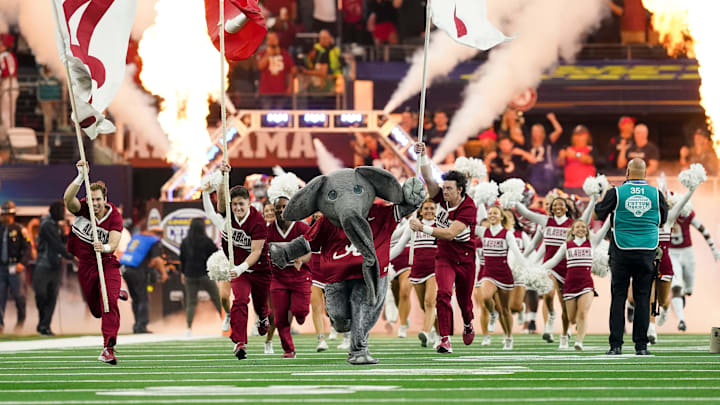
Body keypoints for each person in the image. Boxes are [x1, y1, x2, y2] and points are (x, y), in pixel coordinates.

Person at [594, 158, 668, 355]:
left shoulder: (616, 192)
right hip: (646, 250)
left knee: (618, 297)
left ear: (627, 172)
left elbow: (597, 216)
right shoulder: (655, 193)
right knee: (643, 298)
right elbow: (662, 221)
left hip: (621, 250)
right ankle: (641, 346)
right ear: (644, 174)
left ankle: (616, 345)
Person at [410, 142, 477, 354]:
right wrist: (423, 156)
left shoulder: (468, 208)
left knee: (465, 302)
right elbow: (429, 179)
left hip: (465, 259)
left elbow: (450, 233)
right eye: (444, 187)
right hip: (444, 257)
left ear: (460, 190)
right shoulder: (441, 198)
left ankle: (468, 323)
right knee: (444, 293)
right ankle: (444, 338)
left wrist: (423, 228)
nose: (444, 191)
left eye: (449, 188)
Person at [202, 164, 270, 360]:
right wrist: (206, 192)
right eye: (234, 205)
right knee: (239, 301)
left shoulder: (257, 222)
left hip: (258, 269)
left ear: (248, 204)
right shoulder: (227, 221)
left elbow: (256, 252)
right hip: (239, 271)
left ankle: (263, 318)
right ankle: (240, 342)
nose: (238, 208)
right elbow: (211, 213)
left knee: (261, 308)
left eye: (242, 204)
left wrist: (241, 268)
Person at [514, 192, 597, 348]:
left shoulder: (573, 224)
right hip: (551, 266)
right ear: (551, 208)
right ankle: (551, 315)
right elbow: (527, 214)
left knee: (566, 309)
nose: (558, 207)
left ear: (567, 208)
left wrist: (593, 199)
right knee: (548, 293)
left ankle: (565, 335)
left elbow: (585, 219)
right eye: (555, 205)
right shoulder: (545, 221)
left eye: (561, 205)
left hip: (569, 270)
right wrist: (513, 197)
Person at [64, 161, 125, 364]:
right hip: (86, 266)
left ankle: (108, 348)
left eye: (98, 199)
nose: (95, 203)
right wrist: (80, 176)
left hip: (107, 262)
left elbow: (114, 243)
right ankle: (116, 291)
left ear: (105, 199)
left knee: (109, 301)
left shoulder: (114, 216)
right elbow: (67, 199)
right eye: (92, 199)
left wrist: (105, 248)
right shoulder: (82, 209)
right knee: (97, 309)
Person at [542, 219, 610, 350]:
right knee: (571, 318)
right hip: (570, 284)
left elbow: (604, 229)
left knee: (583, 313)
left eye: (583, 227)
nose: (581, 229)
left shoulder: (591, 242)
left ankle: (579, 341)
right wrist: (540, 269)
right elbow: (554, 260)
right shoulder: (566, 245)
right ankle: (567, 332)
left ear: (587, 230)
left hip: (586, 284)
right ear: (572, 231)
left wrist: (612, 212)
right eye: (577, 227)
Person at [265, 177, 312, 358]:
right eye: (279, 209)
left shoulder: (301, 227)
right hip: (278, 278)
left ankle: (300, 315)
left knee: (300, 312)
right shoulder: (268, 231)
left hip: (300, 276)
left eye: (285, 207)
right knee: (280, 317)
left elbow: (312, 250)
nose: (282, 211)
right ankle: (288, 349)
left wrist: (301, 259)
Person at [475, 205, 528, 350]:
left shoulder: (507, 233)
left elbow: (517, 253)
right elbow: (465, 225)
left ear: (501, 217)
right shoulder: (483, 231)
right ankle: (492, 314)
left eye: (495, 213)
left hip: (504, 273)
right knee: (486, 297)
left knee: (505, 309)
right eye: (490, 213)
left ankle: (509, 336)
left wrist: (527, 267)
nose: (492, 215)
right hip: (488, 272)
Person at [668, 203, 720, 331]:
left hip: (687, 253)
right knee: (676, 286)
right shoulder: (664, 215)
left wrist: (713, 249)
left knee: (689, 290)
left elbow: (703, 229)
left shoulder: (687, 213)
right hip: (672, 253)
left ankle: (682, 296)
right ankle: (681, 320)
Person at [33, 201, 74, 336]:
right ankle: (43, 323)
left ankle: (45, 326)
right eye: (62, 210)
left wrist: (68, 234)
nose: (63, 213)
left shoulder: (57, 226)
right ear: (55, 211)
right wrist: (71, 256)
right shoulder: (47, 225)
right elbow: (57, 244)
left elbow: (62, 242)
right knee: (41, 295)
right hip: (43, 265)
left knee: (52, 297)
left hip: (55, 266)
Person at [180, 217, 223, 337]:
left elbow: (182, 259)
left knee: (191, 302)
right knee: (217, 298)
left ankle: (188, 328)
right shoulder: (207, 241)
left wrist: (182, 273)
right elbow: (215, 255)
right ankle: (226, 322)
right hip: (205, 274)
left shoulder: (185, 241)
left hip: (189, 274)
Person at [120, 228, 168, 334]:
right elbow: (157, 259)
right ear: (159, 235)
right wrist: (163, 273)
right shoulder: (154, 240)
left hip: (125, 268)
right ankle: (141, 326)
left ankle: (137, 324)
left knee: (135, 298)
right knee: (143, 298)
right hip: (137, 269)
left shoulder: (137, 236)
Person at [408, 199, 439, 347]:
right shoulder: (413, 227)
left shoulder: (440, 226)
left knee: (430, 302)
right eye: (426, 208)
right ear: (420, 211)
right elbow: (397, 241)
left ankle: (425, 332)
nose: (429, 211)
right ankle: (440, 334)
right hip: (418, 269)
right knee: (424, 306)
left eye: (432, 208)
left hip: (436, 269)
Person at [0, 200, 29, 333]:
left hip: (15, 266)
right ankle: (0, 325)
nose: (6, 217)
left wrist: (22, 263)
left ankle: (20, 321)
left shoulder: (20, 229)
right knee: (0, 297)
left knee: (19, 296)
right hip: (1, 267)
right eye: (4, 214)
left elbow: (27, 248)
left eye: (9, 214)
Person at [257, 31, 296, 110]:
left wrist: (290, 87)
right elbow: (260, 67)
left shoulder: (285, 54)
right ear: (267, 41)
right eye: (270, 39)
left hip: (281, 91)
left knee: (280, 116)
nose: (272, 41)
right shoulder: (262, 53)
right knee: (266, 114)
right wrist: (268, 54)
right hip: (266, 91)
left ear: (277, 40)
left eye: (274, 38)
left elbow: (292, 71)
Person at [528, 113, 563, 195]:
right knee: (534, 192)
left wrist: (553, 119)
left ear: (542, 132)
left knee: (548, 192)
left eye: (538, 131)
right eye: (534, 131)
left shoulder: (548, 141)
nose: (536, 133)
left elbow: (559, 130)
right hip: (534, 172)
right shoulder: (529, 144)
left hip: (547, 170)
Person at [558, 125, 596, 195]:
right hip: (569, 187)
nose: (578, 138)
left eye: (581, 135)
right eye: (576, 135)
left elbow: (589, 160)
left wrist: (576, 155)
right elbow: (560, 163)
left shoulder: (591, 149)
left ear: (587, 136)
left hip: (586, 187)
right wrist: (561, 157)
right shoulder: (568, 149)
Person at [0, 33, 18, 135]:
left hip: (7, 84)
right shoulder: (10, 56)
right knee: (10, 113)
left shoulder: (3, 56)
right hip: (12, 83)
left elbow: (6, 72)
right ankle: (11, 134)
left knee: (5, 113)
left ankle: (8, 136)